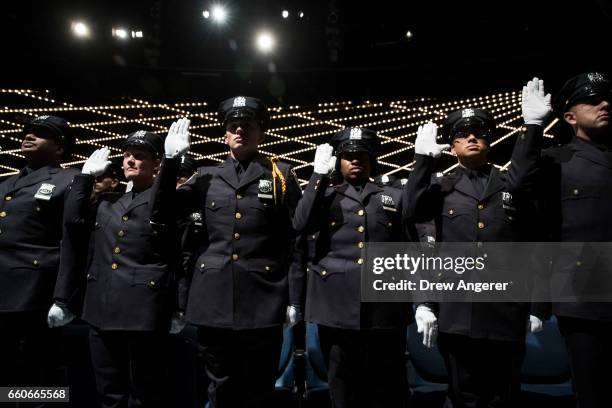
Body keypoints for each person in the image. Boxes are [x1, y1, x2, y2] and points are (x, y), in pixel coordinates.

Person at [404, 77, 551, 407]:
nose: (472, 137)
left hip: (506, 312)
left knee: (507, 396)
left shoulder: (510, 184)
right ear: (452, 146)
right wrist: (423, 160)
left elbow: (535, 244)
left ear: (489, 141)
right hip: (457, 314)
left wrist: (532, 126)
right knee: (463, 397)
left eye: (479, 133)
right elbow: (412, 213)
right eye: (461, 134)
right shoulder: (440, 187)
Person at [153, 96, 303, 408]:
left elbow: (295, 240)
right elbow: (160, 211)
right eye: (233, 126)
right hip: (214, 298)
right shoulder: (206, 177)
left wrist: (293, 296)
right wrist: (169, 164)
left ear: (261, 133)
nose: (239, 131)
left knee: (259, 387)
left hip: (264, 297)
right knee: (219, 386)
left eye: (247, 126)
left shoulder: (280, 175)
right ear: (224, 135)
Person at [50, 122, 190, 408]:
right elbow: (73, 223)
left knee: (145, 391)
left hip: (144, 309)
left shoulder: (168, 200)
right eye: (127, 154)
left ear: (155, 163)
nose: (130, 160)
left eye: (140, 155)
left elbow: (160, 210)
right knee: (108, 390)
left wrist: (172, 163)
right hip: (101, 306)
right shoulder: (108, 201)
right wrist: (85, 179)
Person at [293, 127, 434, 408]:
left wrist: (422, 302)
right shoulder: (324, 196)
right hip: (335, 309)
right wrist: (317, 176)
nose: (355, 160)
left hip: (385, 311)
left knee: (387, 389)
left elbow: (409, 250)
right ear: (338, 160)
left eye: (362, 155)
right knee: (343, 389)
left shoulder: (392, 196)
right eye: (348, 155)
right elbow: (300, 223)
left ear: (372, 160)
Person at [537, 72, 612, 408]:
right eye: (592, 100)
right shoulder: (555, 161)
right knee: (593, 393)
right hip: (584, 299)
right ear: (569, 117)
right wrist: (531, 128)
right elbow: (540, 232)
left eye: (606, 98)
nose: (605, 104)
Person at [0, 115, 78, 388]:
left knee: (40, 373)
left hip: (35, 291)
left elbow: (73, 242)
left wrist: (64, 297)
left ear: (59, 147)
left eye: (40, 133)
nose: (29, 136)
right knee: (6, 372)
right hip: (3, 289)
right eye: (28, 131)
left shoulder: (70, 180)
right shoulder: (5, 184)